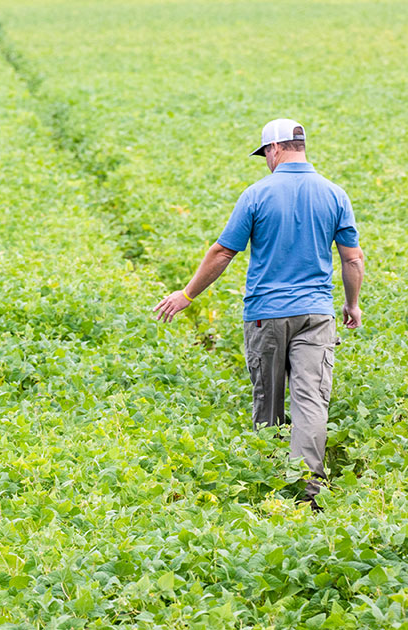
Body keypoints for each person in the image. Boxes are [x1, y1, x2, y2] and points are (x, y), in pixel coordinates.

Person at [152, 119, 365, 507]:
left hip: (266, 314)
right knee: (311, 402)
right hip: (317, 314)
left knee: (269, 401)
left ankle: (271, 485)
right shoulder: (336, 195)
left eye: (265, 153)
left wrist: (187, 294)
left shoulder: (256, 195)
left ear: (274, 149)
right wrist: (351, 304)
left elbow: (223, 252)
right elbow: (352, 258)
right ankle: (309, 494)